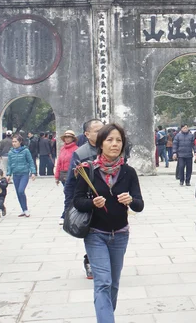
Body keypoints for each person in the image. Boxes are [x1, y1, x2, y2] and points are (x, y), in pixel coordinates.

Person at [73, 123, 144, 321]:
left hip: (120, 235)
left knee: (113, 284)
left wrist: (131, 200)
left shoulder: (129, 172)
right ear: (101, 144)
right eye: (110, 140)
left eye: (119, 140)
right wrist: (92, 203)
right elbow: (77, 201)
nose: (115, 144)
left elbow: (140, 204)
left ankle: (106, 316)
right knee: (103, 282)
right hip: (96, 234)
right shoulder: (87, 170)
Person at [64, 118, 104, 279]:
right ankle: (90, 262)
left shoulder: (111, 148)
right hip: (89, 201)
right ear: (87, 134)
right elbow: (71, 183)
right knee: (92, 234)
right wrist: (69, 207)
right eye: (97, 130)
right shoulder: (80, 153)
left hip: (109, 201)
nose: (101, 133)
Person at [6, 134, 37, 218]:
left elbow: (31, 161)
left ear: (20, 142)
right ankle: (23, 209)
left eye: (15, 141)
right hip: (15, 174)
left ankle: (26, 209)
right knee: (18, 193)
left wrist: (33, 172)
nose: (14, 143)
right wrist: (8, 174)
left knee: (21, 191)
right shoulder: (10, 152)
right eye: (13, 141)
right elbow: (9, 164)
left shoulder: (25, 151)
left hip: (24, 173)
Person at [56, 130, 79, 224]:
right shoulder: (62, 149)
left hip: (72, 175)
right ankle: (69, 214)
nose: (67, 138)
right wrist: (57, 176)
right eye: (66, 137)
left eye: (69, 137)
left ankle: (65, 215)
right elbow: (59, 163)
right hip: (63, 174)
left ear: (73, 138)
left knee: (69, 195)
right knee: (69, 195)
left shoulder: (77, 149)